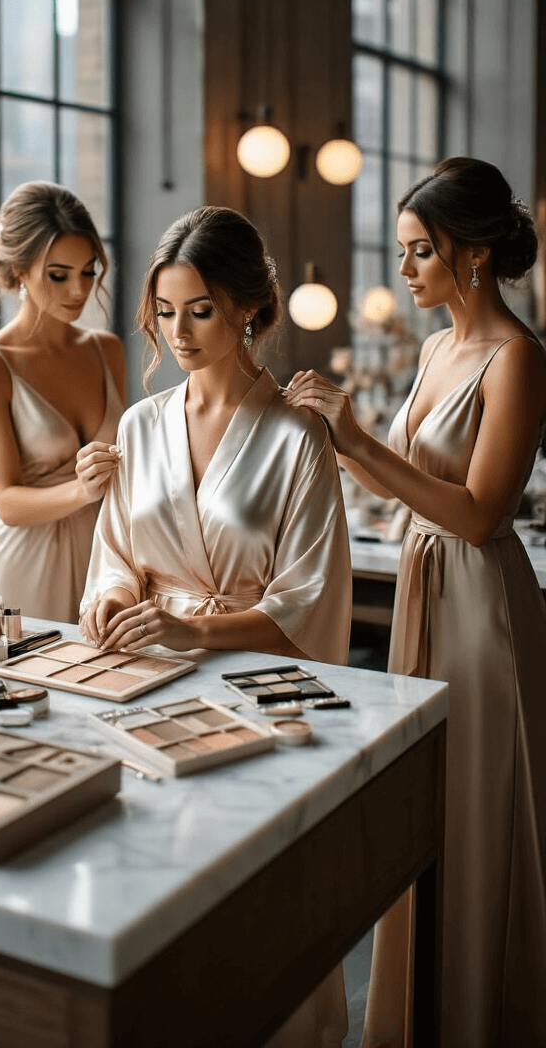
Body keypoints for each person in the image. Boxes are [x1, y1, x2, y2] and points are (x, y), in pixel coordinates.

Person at [285, 157, 546, 1048]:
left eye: (419, 251)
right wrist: (325, 436)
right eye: (402, 251)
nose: (403, 272)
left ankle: (482, 1015)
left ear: (471, 255)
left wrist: (359, 437)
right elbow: (400, 488)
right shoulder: (435, 347)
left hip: (481, 606)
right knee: (423, 801)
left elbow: (478, 515)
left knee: (479, 797)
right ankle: (415, 1012)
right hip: (420, 585)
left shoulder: (519, 360)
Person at [80, 204, 352, 1048]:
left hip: (251, 687)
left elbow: (308, 600)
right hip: (147, 677)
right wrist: (113, 602)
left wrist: (197, 633)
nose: (180, 330)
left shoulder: (299, 436)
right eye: (165, 311)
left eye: (200, 309)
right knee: (155, 885)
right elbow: (115, 555)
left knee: (255, 889)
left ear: (249, 307)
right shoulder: (139, 424)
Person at [0, 181, 125, 623]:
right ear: (18, 269)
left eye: (88, 271)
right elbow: (8, 503)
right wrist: (82, 490)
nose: (78, 290)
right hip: (24, 570)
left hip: (105, 559)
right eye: (59, 275)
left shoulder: (106, 350)